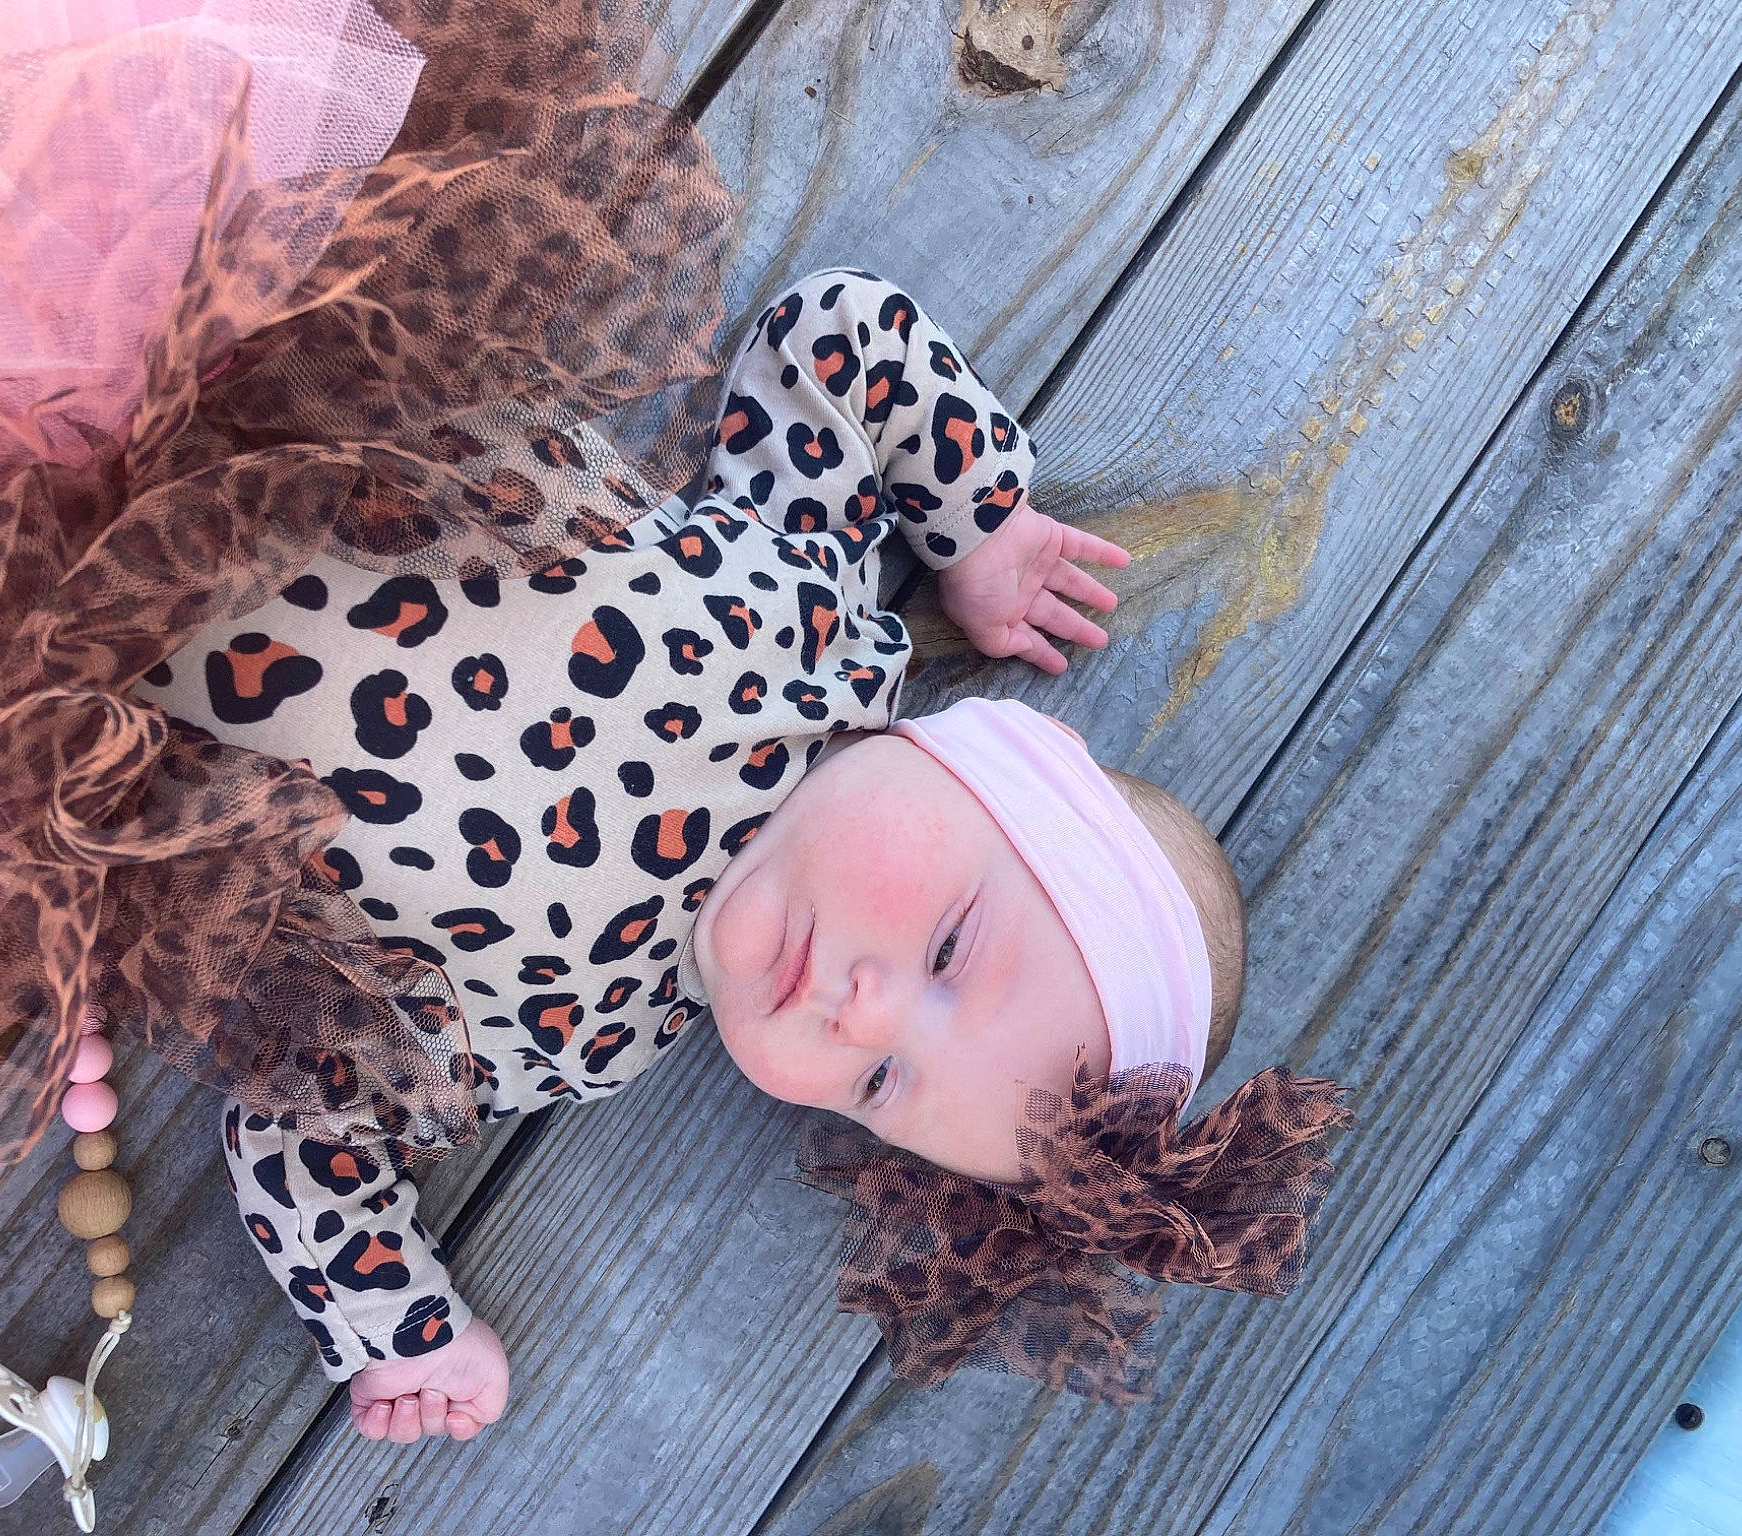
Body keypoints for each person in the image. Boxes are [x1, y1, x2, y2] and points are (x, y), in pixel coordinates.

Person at [141, 268, 1352, 1444]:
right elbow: (836, 342)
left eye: (882, 1087)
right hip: (250, 370)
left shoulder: (576, 1032)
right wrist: (980, 522)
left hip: (69, 679)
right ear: (973, 760)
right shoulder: (803, 619)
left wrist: (399, 1329)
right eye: (946, 948)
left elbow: (300, 1124)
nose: (861, 1019)